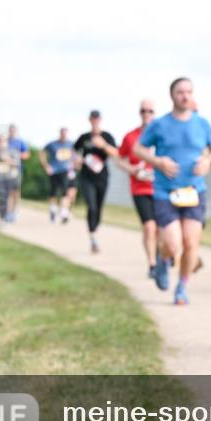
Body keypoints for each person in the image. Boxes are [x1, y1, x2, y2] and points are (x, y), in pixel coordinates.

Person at [135, 77, 211, 305]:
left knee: (191, 243)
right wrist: (158, 161)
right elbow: (138, 149)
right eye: (180, 92)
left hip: (194, 191)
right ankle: (164, 261)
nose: (185, 96)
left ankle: (182, 287)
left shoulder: (202, 124)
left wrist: (209, 161)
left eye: (188, 92)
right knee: (173, 244)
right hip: (166, 191)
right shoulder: (160, 124)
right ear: (172, 95)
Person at [119, 100, 161, 283]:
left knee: (161, 229)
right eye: (144, 111)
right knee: (149, 227)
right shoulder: (131, 137)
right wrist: (132, 170)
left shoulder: (162, 135)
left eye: (150, 111)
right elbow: (120, 159)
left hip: (160, 188)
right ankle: (152, 263)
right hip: (140, 188)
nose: (147, 114)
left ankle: (161, 257)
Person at [74, 111, 119, 254]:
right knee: (91, 206)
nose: (95, 121)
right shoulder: (84, 137)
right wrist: (77, 160)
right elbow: (74, 151)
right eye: (92, 118)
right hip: (87, 177)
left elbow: (117, 153)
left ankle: (95, 226)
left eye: (97, 118)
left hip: (102, 177)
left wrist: (103, 145)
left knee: (98, 207)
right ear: (89, 120)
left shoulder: (106, 136)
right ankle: (93, 237)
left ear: (100, 120)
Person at [40, 127, 77, 224]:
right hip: (54, 170)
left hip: (65, 170)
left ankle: (64, 213)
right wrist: (46, 166)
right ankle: (53, 209)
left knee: (65, 191)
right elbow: (42, 153)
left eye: (65, 133)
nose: (64, 135)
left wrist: (72, 166)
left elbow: (74, 155)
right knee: (54, 191)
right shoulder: (52, 144)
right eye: (62, 133)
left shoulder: (70, 144)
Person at [0, 134, 22, 227]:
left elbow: (17, 164)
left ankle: (11, 213)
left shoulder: (13, 151)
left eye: (3, 140)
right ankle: (2, 218)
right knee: (2, 197)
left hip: (10, 177)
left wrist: (7, 159)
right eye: (0, 140)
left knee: (10, 196)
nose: (1, 142)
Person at [6, 123, 30, 222]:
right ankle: (8, 212)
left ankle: (13, 211)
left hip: (16, 170)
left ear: (15, 131)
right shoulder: (5, 141)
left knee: (15, 191)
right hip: (5, 171)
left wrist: (16, 156)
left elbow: (27, 155)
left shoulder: (20, 142)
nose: (12, 132)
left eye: (13, 130)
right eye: (10, 130)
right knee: (7, 192)